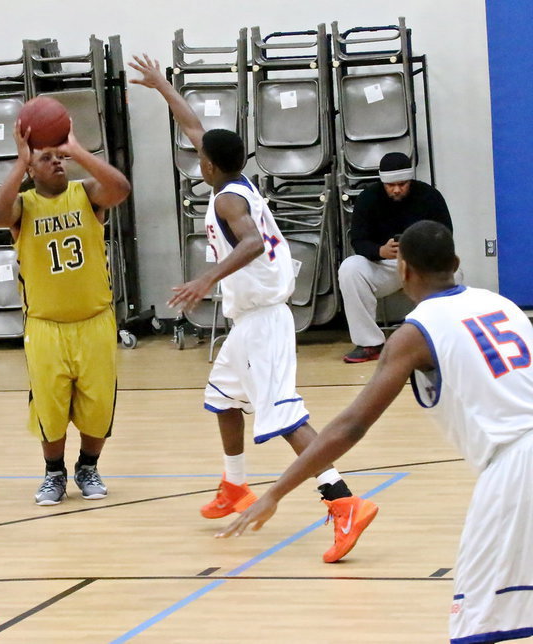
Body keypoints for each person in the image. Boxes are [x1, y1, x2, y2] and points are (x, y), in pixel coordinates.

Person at [220, 220, 533, 642]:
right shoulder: (503, 304)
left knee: (475, 619)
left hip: (516, 465)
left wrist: (275, 492)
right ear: (456, 263)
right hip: (517, 458)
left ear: (402, 271)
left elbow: (351, 426)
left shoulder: (412, 335)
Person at [128, 53, 377, 563]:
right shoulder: (230, 178)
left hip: (264, 321)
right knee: (222, 398)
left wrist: (204, 279)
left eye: (201, 159)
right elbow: (194, 125)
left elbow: (251, 246)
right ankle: (234, 485)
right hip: (248, 321)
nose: (198, 159)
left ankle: (342, 500)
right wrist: (162, 86)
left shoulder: (227, 202)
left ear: (211, 167)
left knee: (284, 415)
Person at [0, 118, 130, 506]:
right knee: (50, 407)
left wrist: (80, 151)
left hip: (95, 320)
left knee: (97, 405)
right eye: (46, 159)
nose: (57, 163)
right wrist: (20, 163)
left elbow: (121, 189)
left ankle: (88, 466)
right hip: (46, 325)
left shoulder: (87, 193)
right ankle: (53, 474)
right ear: (31, 170)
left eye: (59, 157)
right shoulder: (23, 205)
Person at [339, 152, 453, 363]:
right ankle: (369, 343)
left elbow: (445, 234)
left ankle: (442, 337)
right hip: (384, 266)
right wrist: (379, 251)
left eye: (402, 183)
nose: (397, 189)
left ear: (411, 180)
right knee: (350, 268)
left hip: (422, 266)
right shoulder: (368, 198)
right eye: (391, 185)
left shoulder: (430, 196)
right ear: (383, 182)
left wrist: (419, 252)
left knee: (456, 274)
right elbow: (359, 240)